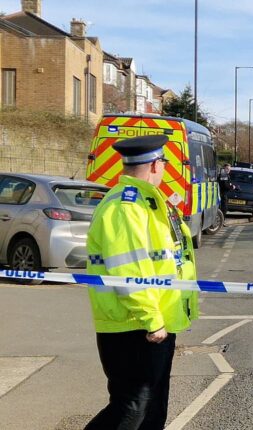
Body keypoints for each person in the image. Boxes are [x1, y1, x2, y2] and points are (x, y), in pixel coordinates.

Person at [84, 135, 199, 430]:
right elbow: (128, 270)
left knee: (152, 407)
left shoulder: (150, 202)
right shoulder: (125, 206)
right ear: (153, 165)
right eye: (163, 162)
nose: (164, 168)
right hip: (134, 325)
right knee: (131, 408)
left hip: (155, 322)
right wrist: (151, 320)